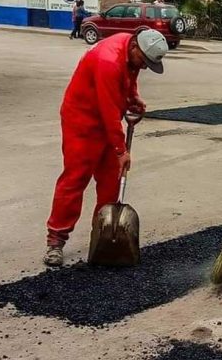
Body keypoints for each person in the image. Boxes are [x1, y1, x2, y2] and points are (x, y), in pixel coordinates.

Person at [44, 29, 169, 267]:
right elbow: (109, 111)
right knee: (75, 178)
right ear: (135, 48)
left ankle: (102, 238)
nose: (143, 67)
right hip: (82, 122)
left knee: (111, 180)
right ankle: (56, 240)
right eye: (144, 62)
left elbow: (129, 77)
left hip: (105, 118)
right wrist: (121, 151)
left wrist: (133, 97)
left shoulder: (130, 48)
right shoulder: (108, 61)